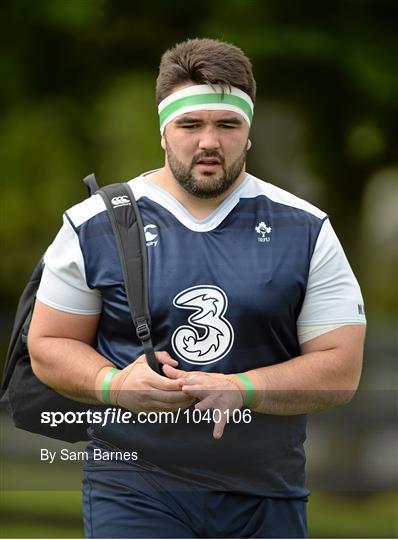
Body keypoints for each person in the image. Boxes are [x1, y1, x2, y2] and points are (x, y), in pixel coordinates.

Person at [28, 38, 366, 538]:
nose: (209, 141)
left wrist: (243, 389)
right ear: (164, 131)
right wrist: (114, 384)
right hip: (134, 486)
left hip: (265, 493)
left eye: (227, 125)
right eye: (191, 125)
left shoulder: (306, 228)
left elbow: (341, 366)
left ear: (248, 133)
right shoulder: (93, 224)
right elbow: (48, 344)